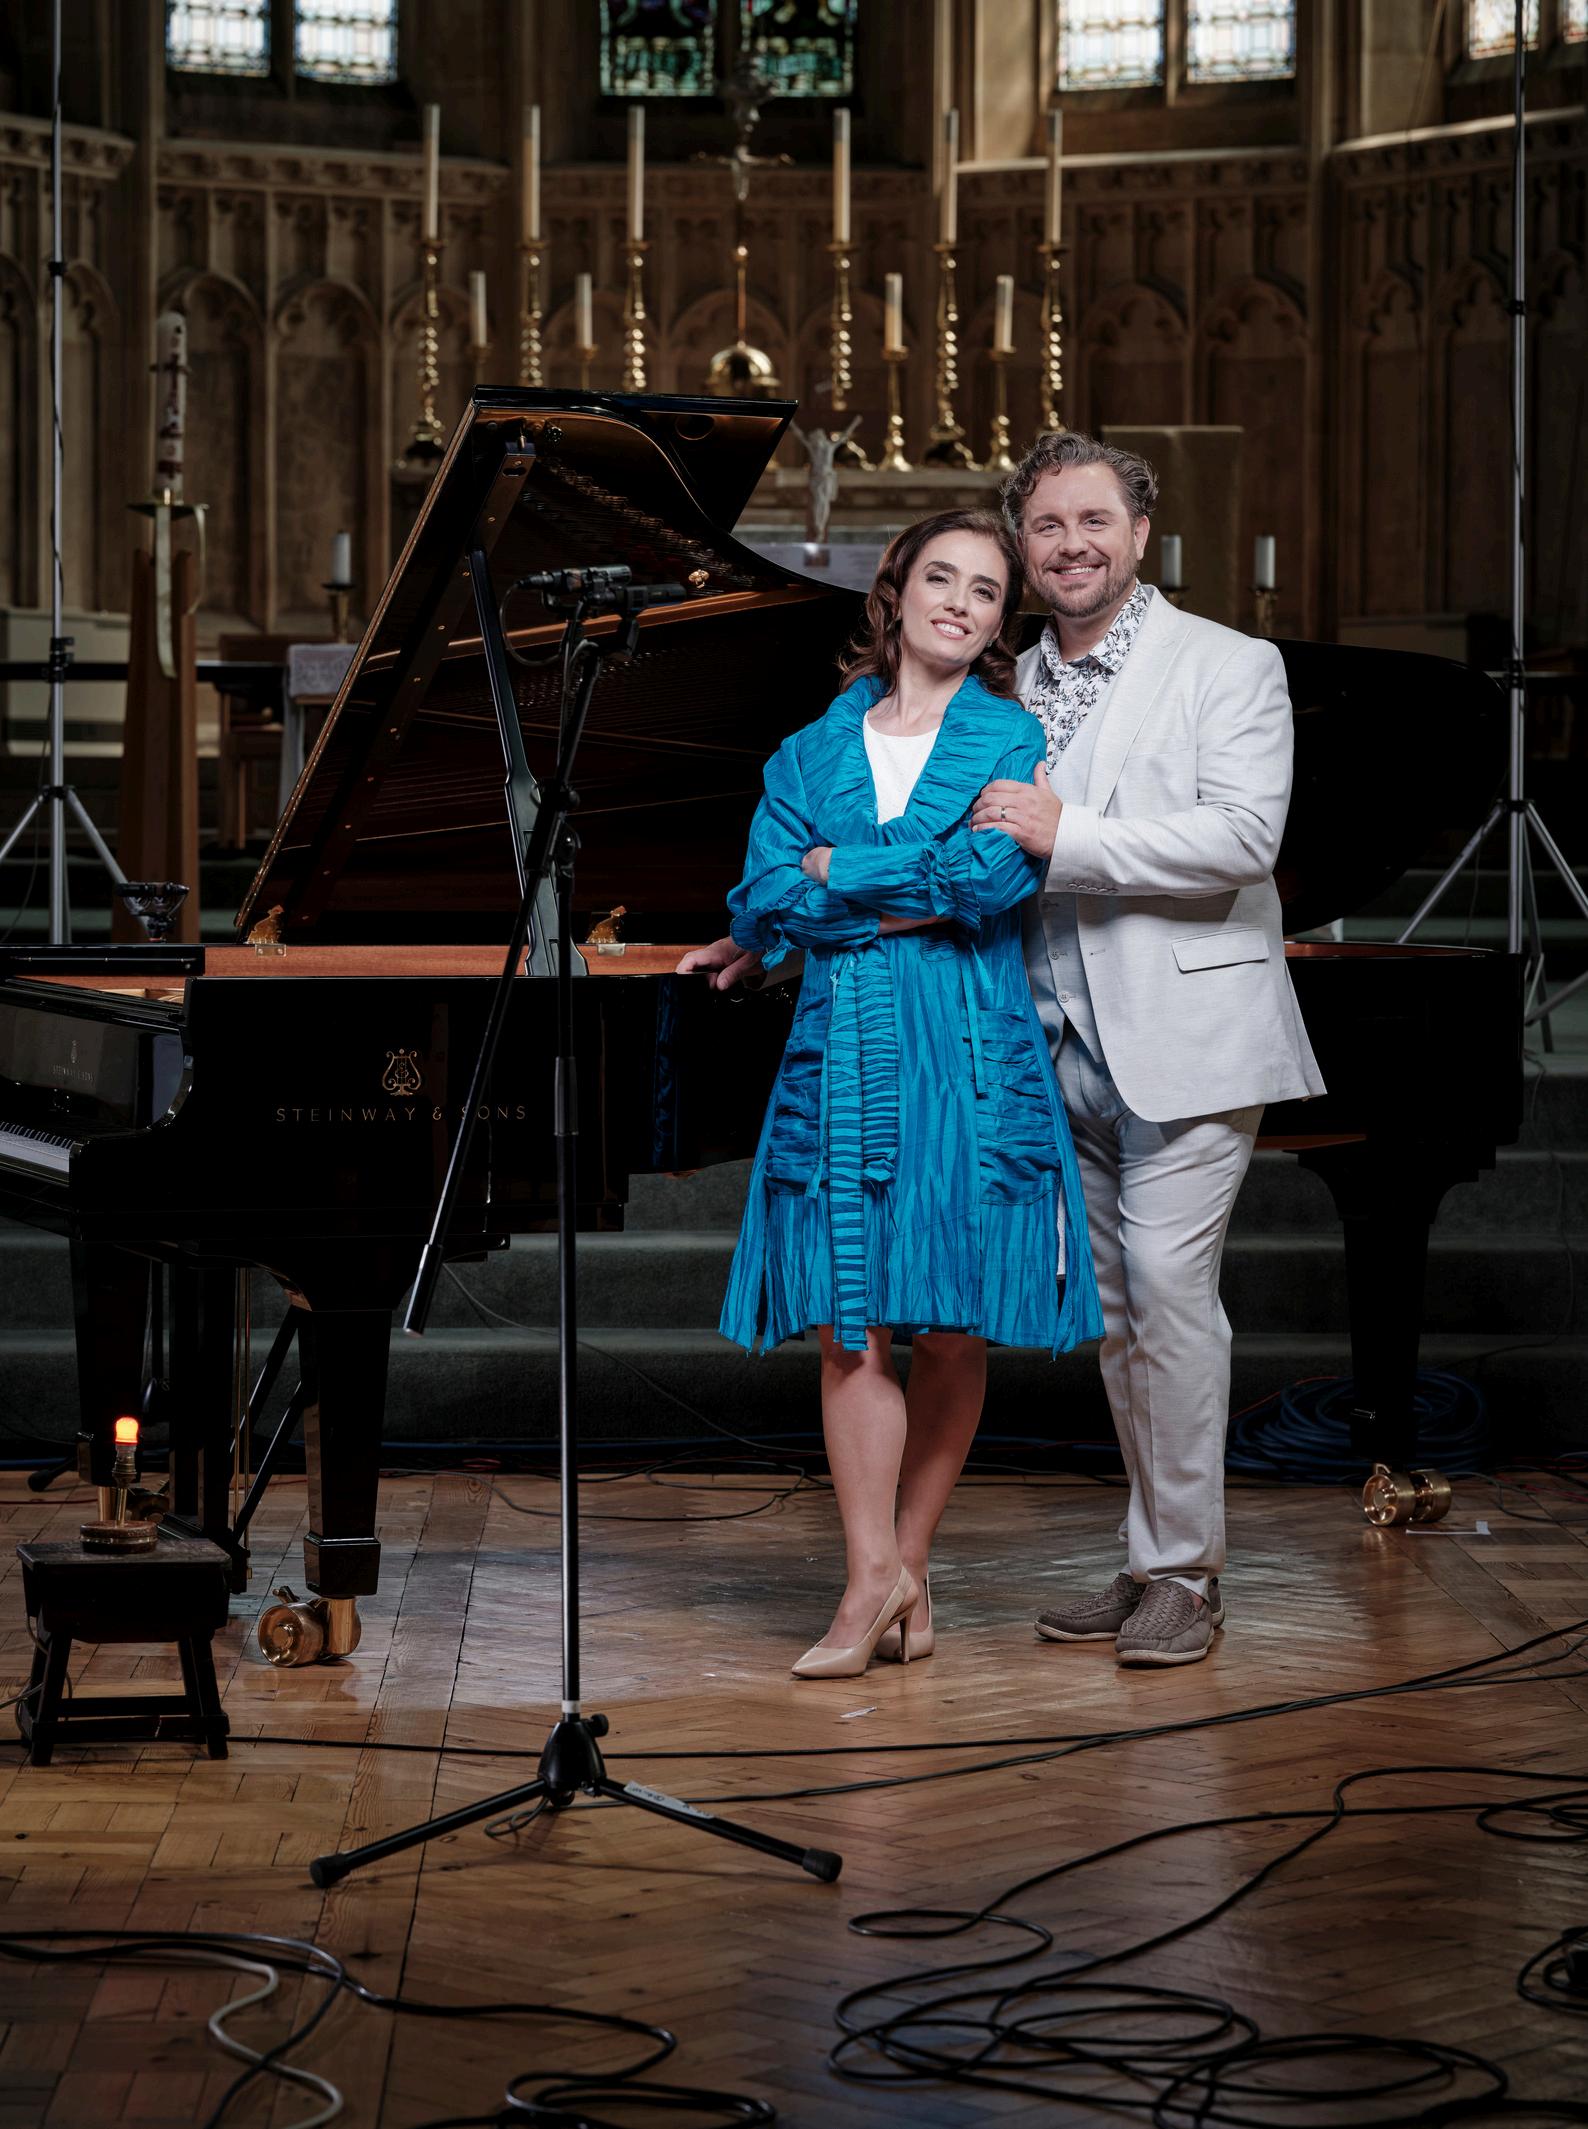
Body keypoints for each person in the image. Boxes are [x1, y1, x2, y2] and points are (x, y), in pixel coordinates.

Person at [698, 509, 1102, 1680]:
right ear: (896, 591)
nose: (960, 603)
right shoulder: (804, 752)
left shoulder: (1008, 735)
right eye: (941, 578)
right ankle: (869, 1574)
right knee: (850, 1317)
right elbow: (765, 894)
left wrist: (835, 869)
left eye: (985, 590)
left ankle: (908, 1566)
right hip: (841, 1047)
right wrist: (858, 886)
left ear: (998, 620)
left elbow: (985, 881)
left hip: (969, 1048)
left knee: (955, 1325)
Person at [970, 431, 1323, 1667]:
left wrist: (1066, 834)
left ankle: (1184, 1573)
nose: (1070, 544)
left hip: (1189, 1037)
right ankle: (1149, 1559)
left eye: (1092, 521)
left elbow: (1241, 837)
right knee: (1120, 1314)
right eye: (1046, 525)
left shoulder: (1227, 663)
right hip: (1049, 1040)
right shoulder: (1003, 680)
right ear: (1022, 547)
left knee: (1171, 1296)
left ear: (1140, 534)